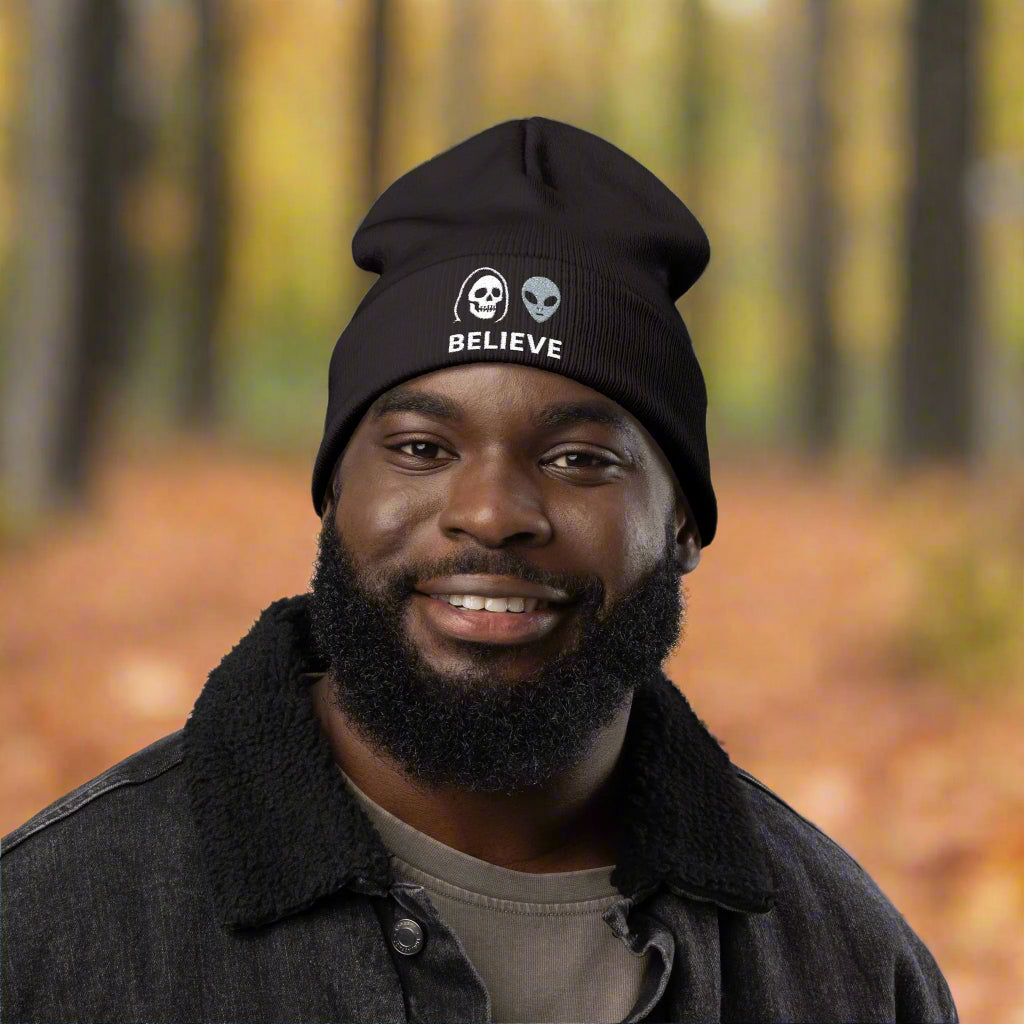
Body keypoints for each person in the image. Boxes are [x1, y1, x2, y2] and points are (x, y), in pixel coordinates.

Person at [1, 117, 957, 1024]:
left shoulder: (847, 967)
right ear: (336, 490)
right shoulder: (47, 937)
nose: (492, 514)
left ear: (682, 527)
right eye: (421, 448)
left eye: (580, 459)